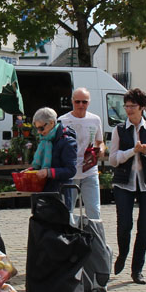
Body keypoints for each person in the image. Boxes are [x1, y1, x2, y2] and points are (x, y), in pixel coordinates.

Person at [109, 88, 146, 285]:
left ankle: (137, 269)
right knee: (124, 225)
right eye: (126, 106)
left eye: (133, 106)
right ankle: (122, 254)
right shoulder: (119, 130)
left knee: (144, 228)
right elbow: (113, 160)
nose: (129, 110)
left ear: (141, 108)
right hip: (124, 183)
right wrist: (132, 151)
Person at [59, 87, 106, 219]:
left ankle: (95, 239)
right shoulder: (62, 120)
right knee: (67, 211)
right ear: (72, 102)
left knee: (94, 210)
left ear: (89, 103)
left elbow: (100, 141)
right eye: (77, 102)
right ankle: (68, 238)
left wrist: (101, 149)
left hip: (89, 170)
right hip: (70, 172)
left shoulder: (95, 119)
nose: (81, 105)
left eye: (84, 102)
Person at [30, 107, 78, 206]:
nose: (39, 132)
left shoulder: (67, 141)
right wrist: (31, 170)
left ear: (51, 123)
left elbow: (71, 170)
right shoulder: (44, 141)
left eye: (41, 128)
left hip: (61, 195)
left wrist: (48, 172)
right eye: (37, 128)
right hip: (44, 193)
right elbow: (41, 165)